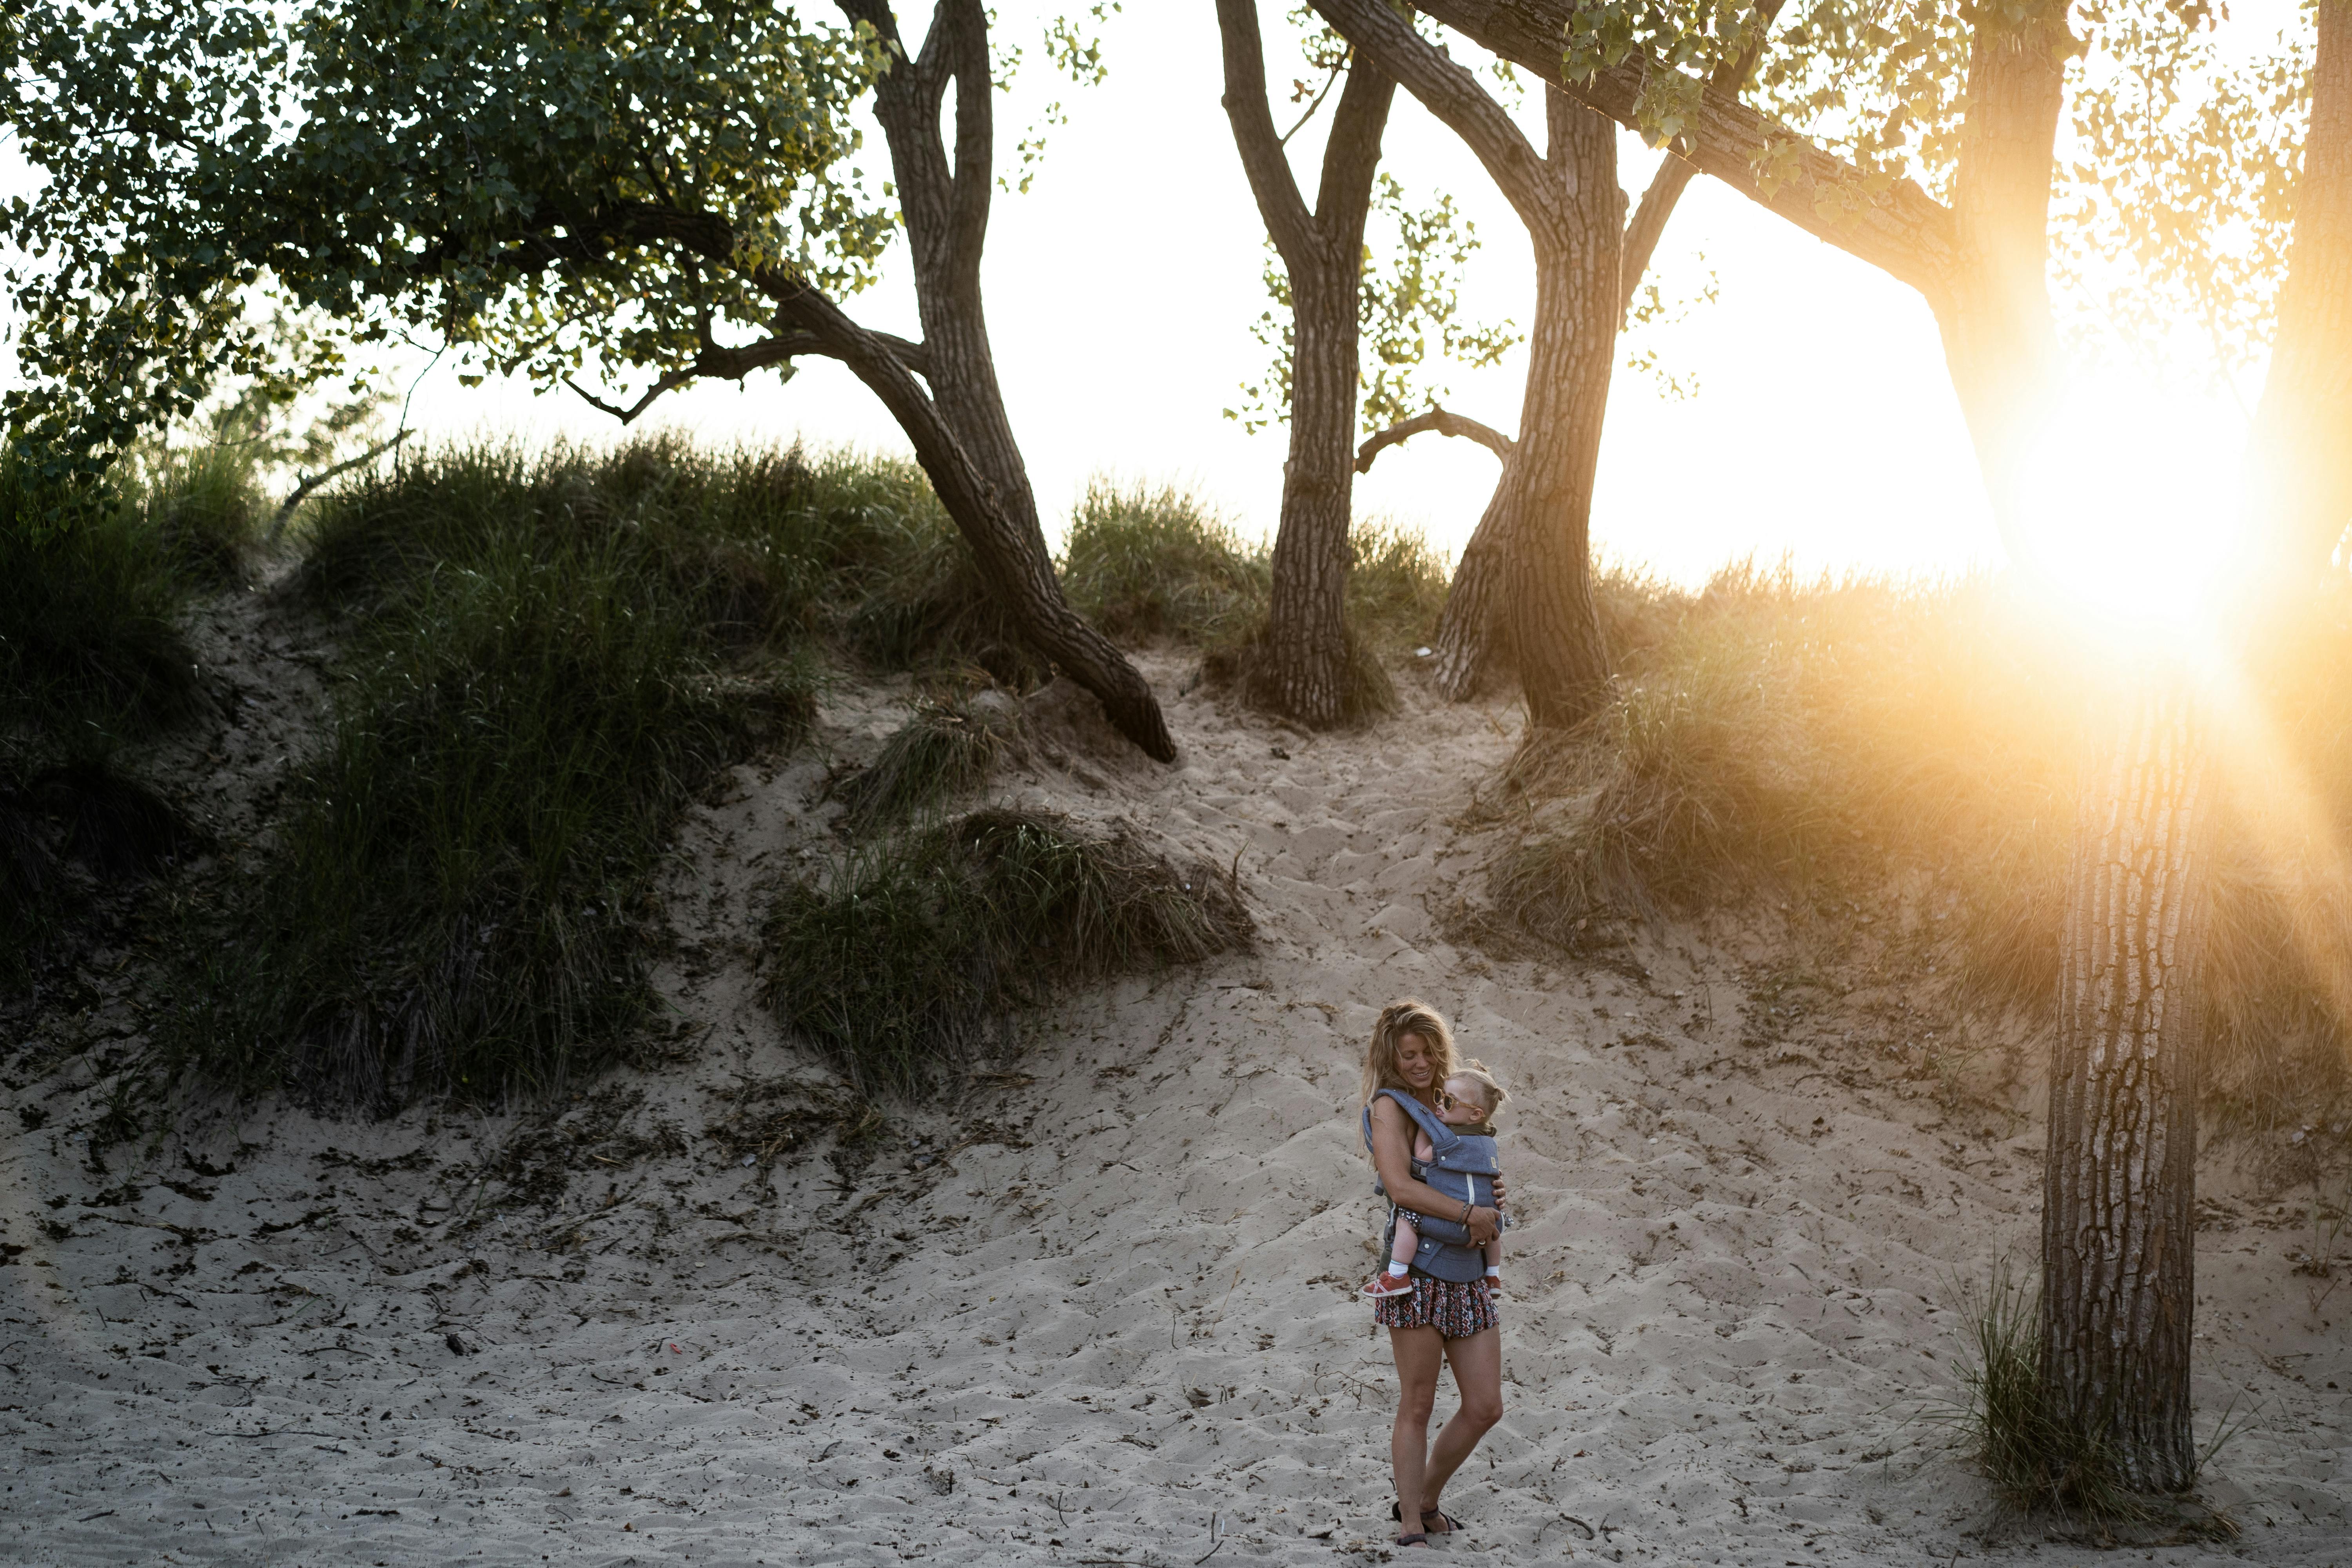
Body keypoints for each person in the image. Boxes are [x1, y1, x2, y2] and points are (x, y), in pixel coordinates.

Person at [1357, 1000, 1506, 1549]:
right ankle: (1412, 1526)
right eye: (1409, 1055)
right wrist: (1469, 1214)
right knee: (1418, 1403)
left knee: (1486, 1406)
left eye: (1428, 1052)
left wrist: (1492, 1191)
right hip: (1416, 1271)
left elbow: (1477, 1169)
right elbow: (1400, 1187)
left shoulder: (1460, 1097)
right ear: (1391, 1058)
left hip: (1470, 1272)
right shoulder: (1389, 1107)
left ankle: (1422, 1498)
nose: (1421, 1064)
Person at [1361, 1061, 1510, 1301]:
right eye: (1440, 1096)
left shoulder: (1450, 1141)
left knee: (1406, 1220)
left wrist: (1427, 1126)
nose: (1440, 1104)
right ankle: (1493, 1276)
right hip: (1490, 1224)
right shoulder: (1488, 1142)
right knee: (1497, 1228)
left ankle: (1397, 1274)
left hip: (1457, 1225)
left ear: (1475, 1114)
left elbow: (1422, 1156)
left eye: (1449, 1102)